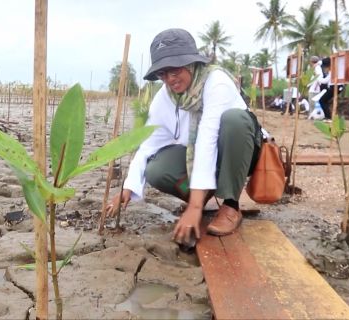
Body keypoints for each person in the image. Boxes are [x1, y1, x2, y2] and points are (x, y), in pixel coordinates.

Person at [106, 28, 261, 245]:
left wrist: (195, 209)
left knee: (235, 120)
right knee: (157, 169)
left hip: (239, 153)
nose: (170, 79)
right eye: (163, 74)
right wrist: (129, 186)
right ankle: (202, 193)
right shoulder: (165, 97)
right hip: (201, 157)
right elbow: (149, 142)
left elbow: (207, 139)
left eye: (175, 70)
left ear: (190, 63)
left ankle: (231, 204)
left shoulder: (216, 82)